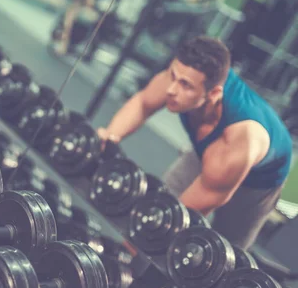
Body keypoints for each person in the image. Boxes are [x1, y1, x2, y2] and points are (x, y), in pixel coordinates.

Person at [97, 36, 293, 249]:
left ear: (214, 93)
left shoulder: (238, 139)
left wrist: (152, 231)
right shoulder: (181, 77)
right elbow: (143, 103)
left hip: (259, 181)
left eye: (185, 85)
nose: (171, 89)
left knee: (220, 253)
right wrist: (110, 136)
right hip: (210, 151)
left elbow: (175, 219)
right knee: (159, 206)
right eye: (173, 75)